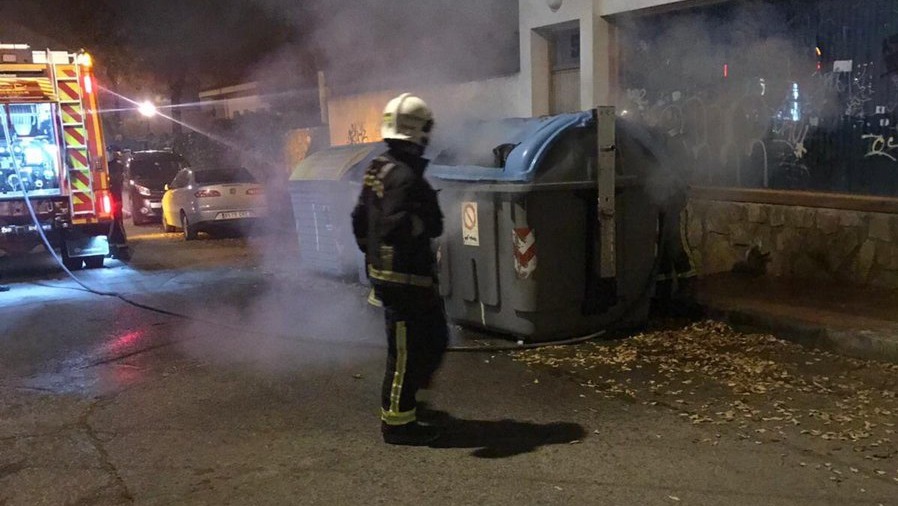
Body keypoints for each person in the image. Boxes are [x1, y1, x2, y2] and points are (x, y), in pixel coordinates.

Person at [351, 93, 448, 446]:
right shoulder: (405, 176)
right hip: (407, 282)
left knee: (435, 338)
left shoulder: (380, 166)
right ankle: (397, 423)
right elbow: (399, 225)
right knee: (407, 352)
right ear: (419, 132)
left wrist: (372, 257)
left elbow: (360, 218)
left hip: (398, 278)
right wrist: (425, 225)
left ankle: (407, 399)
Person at [106, 149, 131, 260]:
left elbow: (116, 180)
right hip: (112, 200)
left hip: (115, 200)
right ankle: (113, 249)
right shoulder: (112, 165)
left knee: (117, 224)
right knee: (112, 225)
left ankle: (122, 250)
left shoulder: (116, 166)